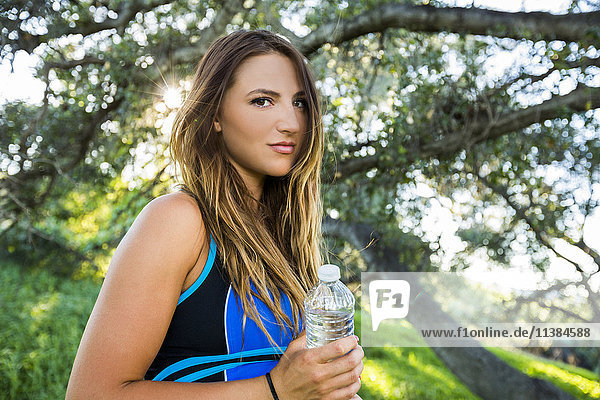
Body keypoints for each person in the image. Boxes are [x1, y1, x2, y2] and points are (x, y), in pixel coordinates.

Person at [66, 29, 364, 399]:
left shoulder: (291, 245)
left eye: (300, 103)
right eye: (262, 101)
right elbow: (91, 395)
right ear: (215, 115)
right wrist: (275, 390)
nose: (291, 123)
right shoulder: (178, 220)